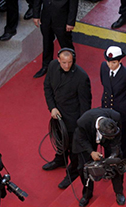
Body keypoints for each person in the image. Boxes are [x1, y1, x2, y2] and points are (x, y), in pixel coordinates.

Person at [41, 49, 91, 191]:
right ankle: (60, 160)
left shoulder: (81, 77)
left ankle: (72, 172)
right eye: (64, 62)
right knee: (60, 140)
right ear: (58, 59)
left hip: (73, 118)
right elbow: (47, 87)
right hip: (57, 114)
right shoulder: (52, 66)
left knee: (73, 148)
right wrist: (52, 108)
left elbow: (85, 103)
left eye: (69, 62)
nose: (67, 66)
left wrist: (81, 126)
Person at [72, 108, 126, 207]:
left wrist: (113, 156)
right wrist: (91, 152)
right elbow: (81, 138)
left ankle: (119, 192)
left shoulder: (116, 117)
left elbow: (116, 140)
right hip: (87, 140)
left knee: (116, 163)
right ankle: (87, 194)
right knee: (82, 167)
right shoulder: (84, 121)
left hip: (108, 142)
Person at [100, 46, 126, 163]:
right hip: (107, 110)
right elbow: (105, 85)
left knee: (123, 139)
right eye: (108, 62)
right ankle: (108, 160)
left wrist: (124, 102)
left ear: (120, 61)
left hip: (123, 112)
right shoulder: (103, 67)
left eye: (113, 62)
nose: (110, 65)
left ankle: (123, 161)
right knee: (107, 137)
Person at [32, 0, 78, 78]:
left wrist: (70, 22)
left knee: (66, 45)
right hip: (46, 18)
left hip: (62, 20)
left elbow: (73, 4)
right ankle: (46, 66)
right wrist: (36, 14)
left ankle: (71, 68)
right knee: (47, 43)